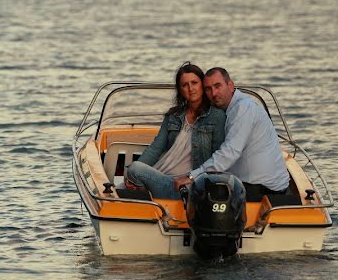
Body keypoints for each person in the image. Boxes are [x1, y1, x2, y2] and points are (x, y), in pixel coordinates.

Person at [175, 67, 290, 200]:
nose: (214, 93)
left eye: (218, 86)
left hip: (264, 190)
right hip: (259, 184)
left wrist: (192, 176)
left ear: (230, 85)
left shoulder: (243, 108)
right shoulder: (230, 109)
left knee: (198, 195)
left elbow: (229, 152)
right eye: (208, 89)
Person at [124, 62, 226, 199]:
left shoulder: (217, 116)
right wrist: (132, 177)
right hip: (160, 177)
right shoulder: (173, 115)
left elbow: (217, 157)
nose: (191, 88)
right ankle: (144, 191)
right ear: (180, 90)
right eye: (185, 85)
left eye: (194, 82)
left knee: (134, 170)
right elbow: (155, 148)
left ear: (202, 84)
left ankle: (145, 194)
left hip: (185, 185)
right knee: (130, 175)